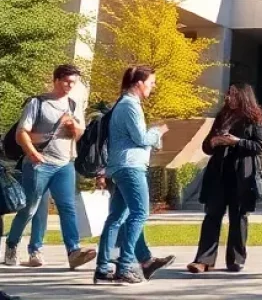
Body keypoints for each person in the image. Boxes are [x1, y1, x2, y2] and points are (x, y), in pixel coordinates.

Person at [2, 64, 95, 271]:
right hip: (39, 163)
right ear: (56, 80)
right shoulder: (38, 103)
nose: (70, 86)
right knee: (31, 208)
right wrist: (32, 153)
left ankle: (73, 251)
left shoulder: (73, 104)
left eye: (73, 82)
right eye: (66, 81)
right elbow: (21, 133)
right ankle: (12, 244)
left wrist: (74, 128)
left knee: (68, 207)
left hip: (65, 164)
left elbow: (79, 134)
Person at [94, 65, 175, 285]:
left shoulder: (122, 103)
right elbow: (140, 138)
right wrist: (157, 131)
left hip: (119, 166)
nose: (153, 87)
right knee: (139, 213)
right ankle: (125, 266)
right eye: (151, 83)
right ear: (139, 83)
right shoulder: (130, 105)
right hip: (130, 167)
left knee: (116, 218)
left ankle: (103, 269)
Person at [187, 84, 262, 274]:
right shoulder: (222, 115)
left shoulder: (256, 118)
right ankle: (203, 260)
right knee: (212, 215)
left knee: (238, 216)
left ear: (244, 96)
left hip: (242, 173)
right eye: (229, 93)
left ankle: (236, 260)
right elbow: (206, 146)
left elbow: (260, 146)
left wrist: (236, 141)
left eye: (234, 94)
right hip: (219, 172)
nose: (229, 97)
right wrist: (214, 142)